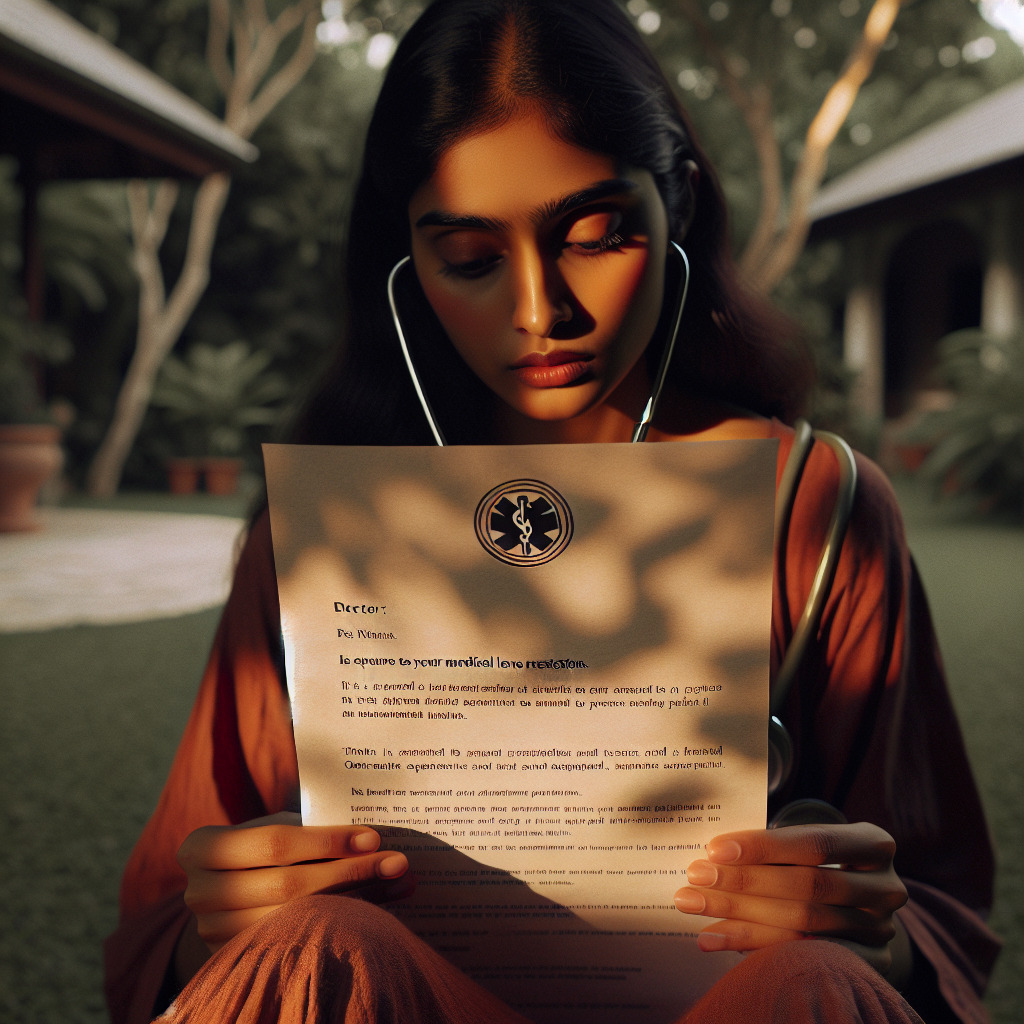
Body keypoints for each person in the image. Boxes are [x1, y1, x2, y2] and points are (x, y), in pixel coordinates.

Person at [104, 1, 1000, 1022]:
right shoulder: (321, 538)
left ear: (680, 209)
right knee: (319, 941)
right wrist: (222, 919)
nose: (540, 312)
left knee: (812, 978)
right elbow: (161, 930)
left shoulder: (818, 508)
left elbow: (934, 910)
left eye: (595, 234)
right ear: (406, 259)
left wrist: (861, 930)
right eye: (472, 258)